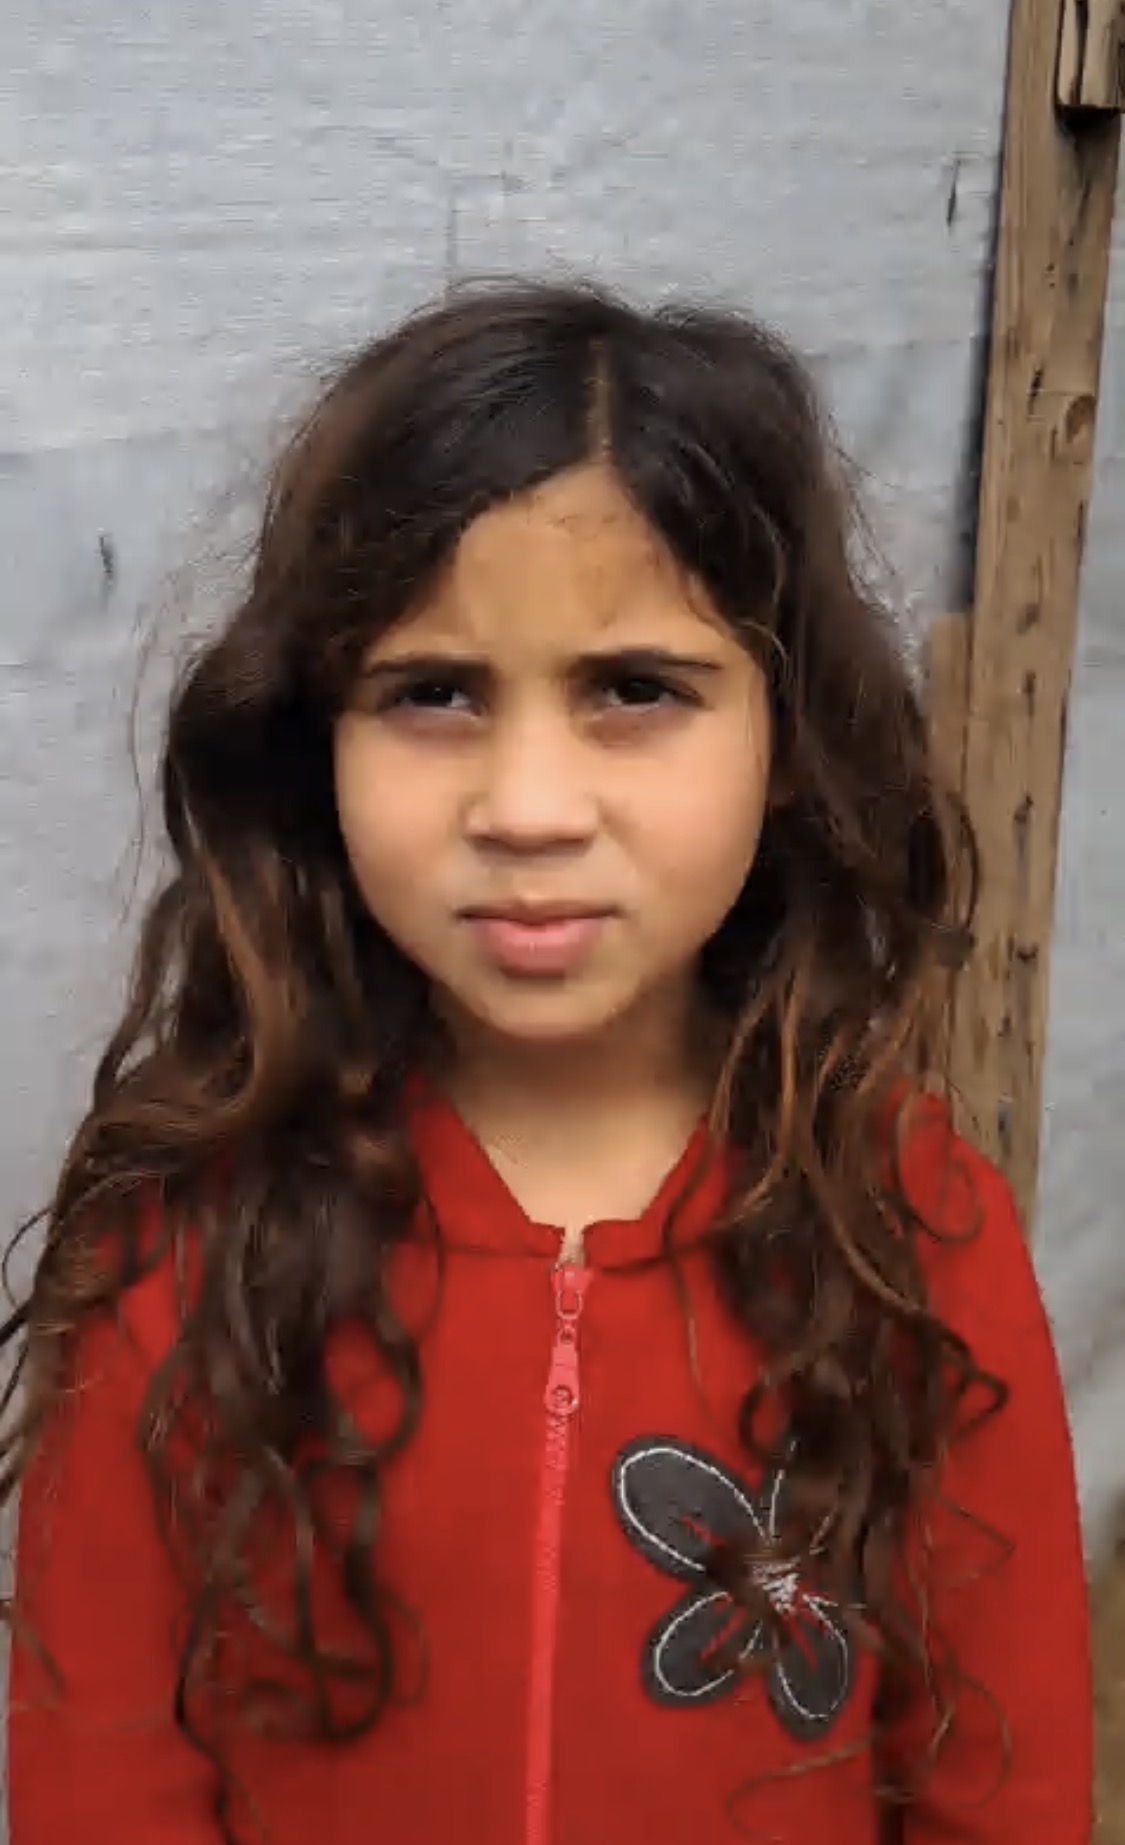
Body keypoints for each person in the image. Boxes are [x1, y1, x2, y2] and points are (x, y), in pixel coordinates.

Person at [3, 279, 1090, 1845]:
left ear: (787, 735)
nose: (526, 807)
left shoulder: (908, 1236)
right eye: (431, 692)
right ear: (313, 738)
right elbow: (98, 1788)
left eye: (633, 688)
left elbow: (1004, 1788)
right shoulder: (185, 1243)